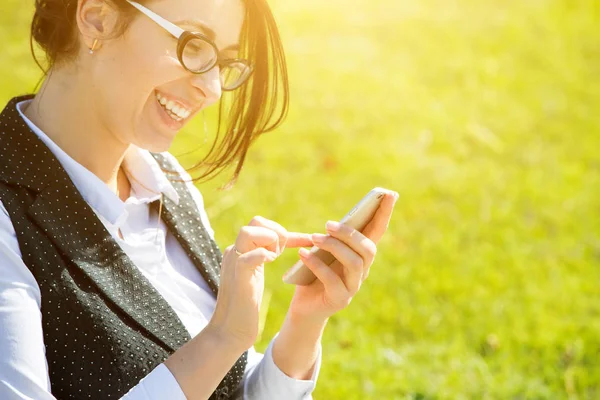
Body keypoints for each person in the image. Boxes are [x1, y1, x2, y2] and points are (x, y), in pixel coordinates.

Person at [0, 0, 398, 398]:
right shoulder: (8, 215)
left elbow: (219, 389)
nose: (210, 90)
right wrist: (221, 338)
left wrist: (303, 326)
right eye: (193, 46)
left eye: (224, 65)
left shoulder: (164, 180)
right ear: (96, 18)